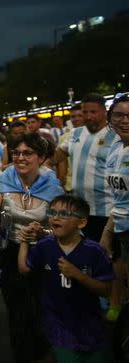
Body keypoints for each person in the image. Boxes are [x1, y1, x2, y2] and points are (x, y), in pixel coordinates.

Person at [0, 133, 63, 362]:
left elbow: (62, 228)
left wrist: (43, 233)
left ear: (41, 157)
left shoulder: (53, 186)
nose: (20, 158)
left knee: (40, 306)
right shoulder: (3, 180)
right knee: (17, 309)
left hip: (41, 253)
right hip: (9, 253)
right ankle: (22, 354)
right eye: (16, 153)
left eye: (27, 153)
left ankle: (41, 346)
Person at [51, 93, 123, 318]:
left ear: (104, 112)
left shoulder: (115, 136)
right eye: (85, 112)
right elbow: (57, 156)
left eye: (94, 111)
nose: (88, 116)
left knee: (111, 258)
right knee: (87, 256)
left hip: (107, 210)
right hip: (81, 211)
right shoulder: (75, 134)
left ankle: (115, 301)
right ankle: (93, 298)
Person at [18, 195, 115, 361]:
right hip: (59, 326)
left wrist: (78, 275)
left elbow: (107, 290)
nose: (55, 217)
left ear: (81, 223)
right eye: (52, 212)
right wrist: (24, 241)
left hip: (90, 327)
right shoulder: (45, 246)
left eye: (64, 214)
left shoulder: (94, 251)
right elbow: (24, 269)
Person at [99, 94, 129, 301]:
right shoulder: (115, 148)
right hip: (122, 230)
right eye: (118, 115)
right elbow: (119, 199)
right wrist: (108, 232)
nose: (125, 121)